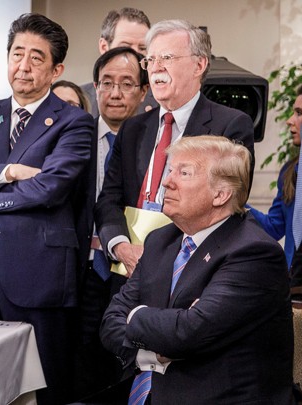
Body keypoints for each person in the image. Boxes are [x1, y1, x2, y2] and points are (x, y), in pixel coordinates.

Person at [0, 13, 93, 404]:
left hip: (37, 269)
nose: (23, 66)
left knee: (37, 387)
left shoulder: (73, 122)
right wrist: (9, 171)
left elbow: (51, 187)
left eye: (36, 58)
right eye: (17, 53)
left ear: (57, 68)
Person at [100, 136, 294, 404]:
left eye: (184, 172)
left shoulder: (254, 252)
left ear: (220, 194)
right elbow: (110, 322)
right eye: (170, 170)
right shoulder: (160, 240)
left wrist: (135, 315)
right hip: (148, 390)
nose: (167, 181)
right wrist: (153, 353)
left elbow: (189, 332)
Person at [94, 19, 255, 279]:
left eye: (166, 58)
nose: (155, 68)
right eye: (150, 60)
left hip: (190, 272)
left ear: (199, 65)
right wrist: (121, 246)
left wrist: (163, 252)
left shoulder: (231, 125)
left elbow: (226, 206)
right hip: (127, 270)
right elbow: (108, 200)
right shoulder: (132, 129)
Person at [74, 46, 148, 400]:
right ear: (95, 87)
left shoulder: (154, 142)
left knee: (127, 357)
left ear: (143, 91)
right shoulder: (74, 135)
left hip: (133, 270)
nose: (115, 93)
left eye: (126, 84)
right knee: (81, 362)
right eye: (107, 83)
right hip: (80, 268)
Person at [248, 85, 302, 267]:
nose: (289, 120)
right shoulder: (289, 171)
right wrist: (235, 202)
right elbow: (274, 228)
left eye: (299, 113)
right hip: (293, 282)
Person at [81, 7, 156, 117]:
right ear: (104, 47)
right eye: (125, 46)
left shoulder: (161, 101)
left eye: (142, 47)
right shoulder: (79, 99)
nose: (134, 54)